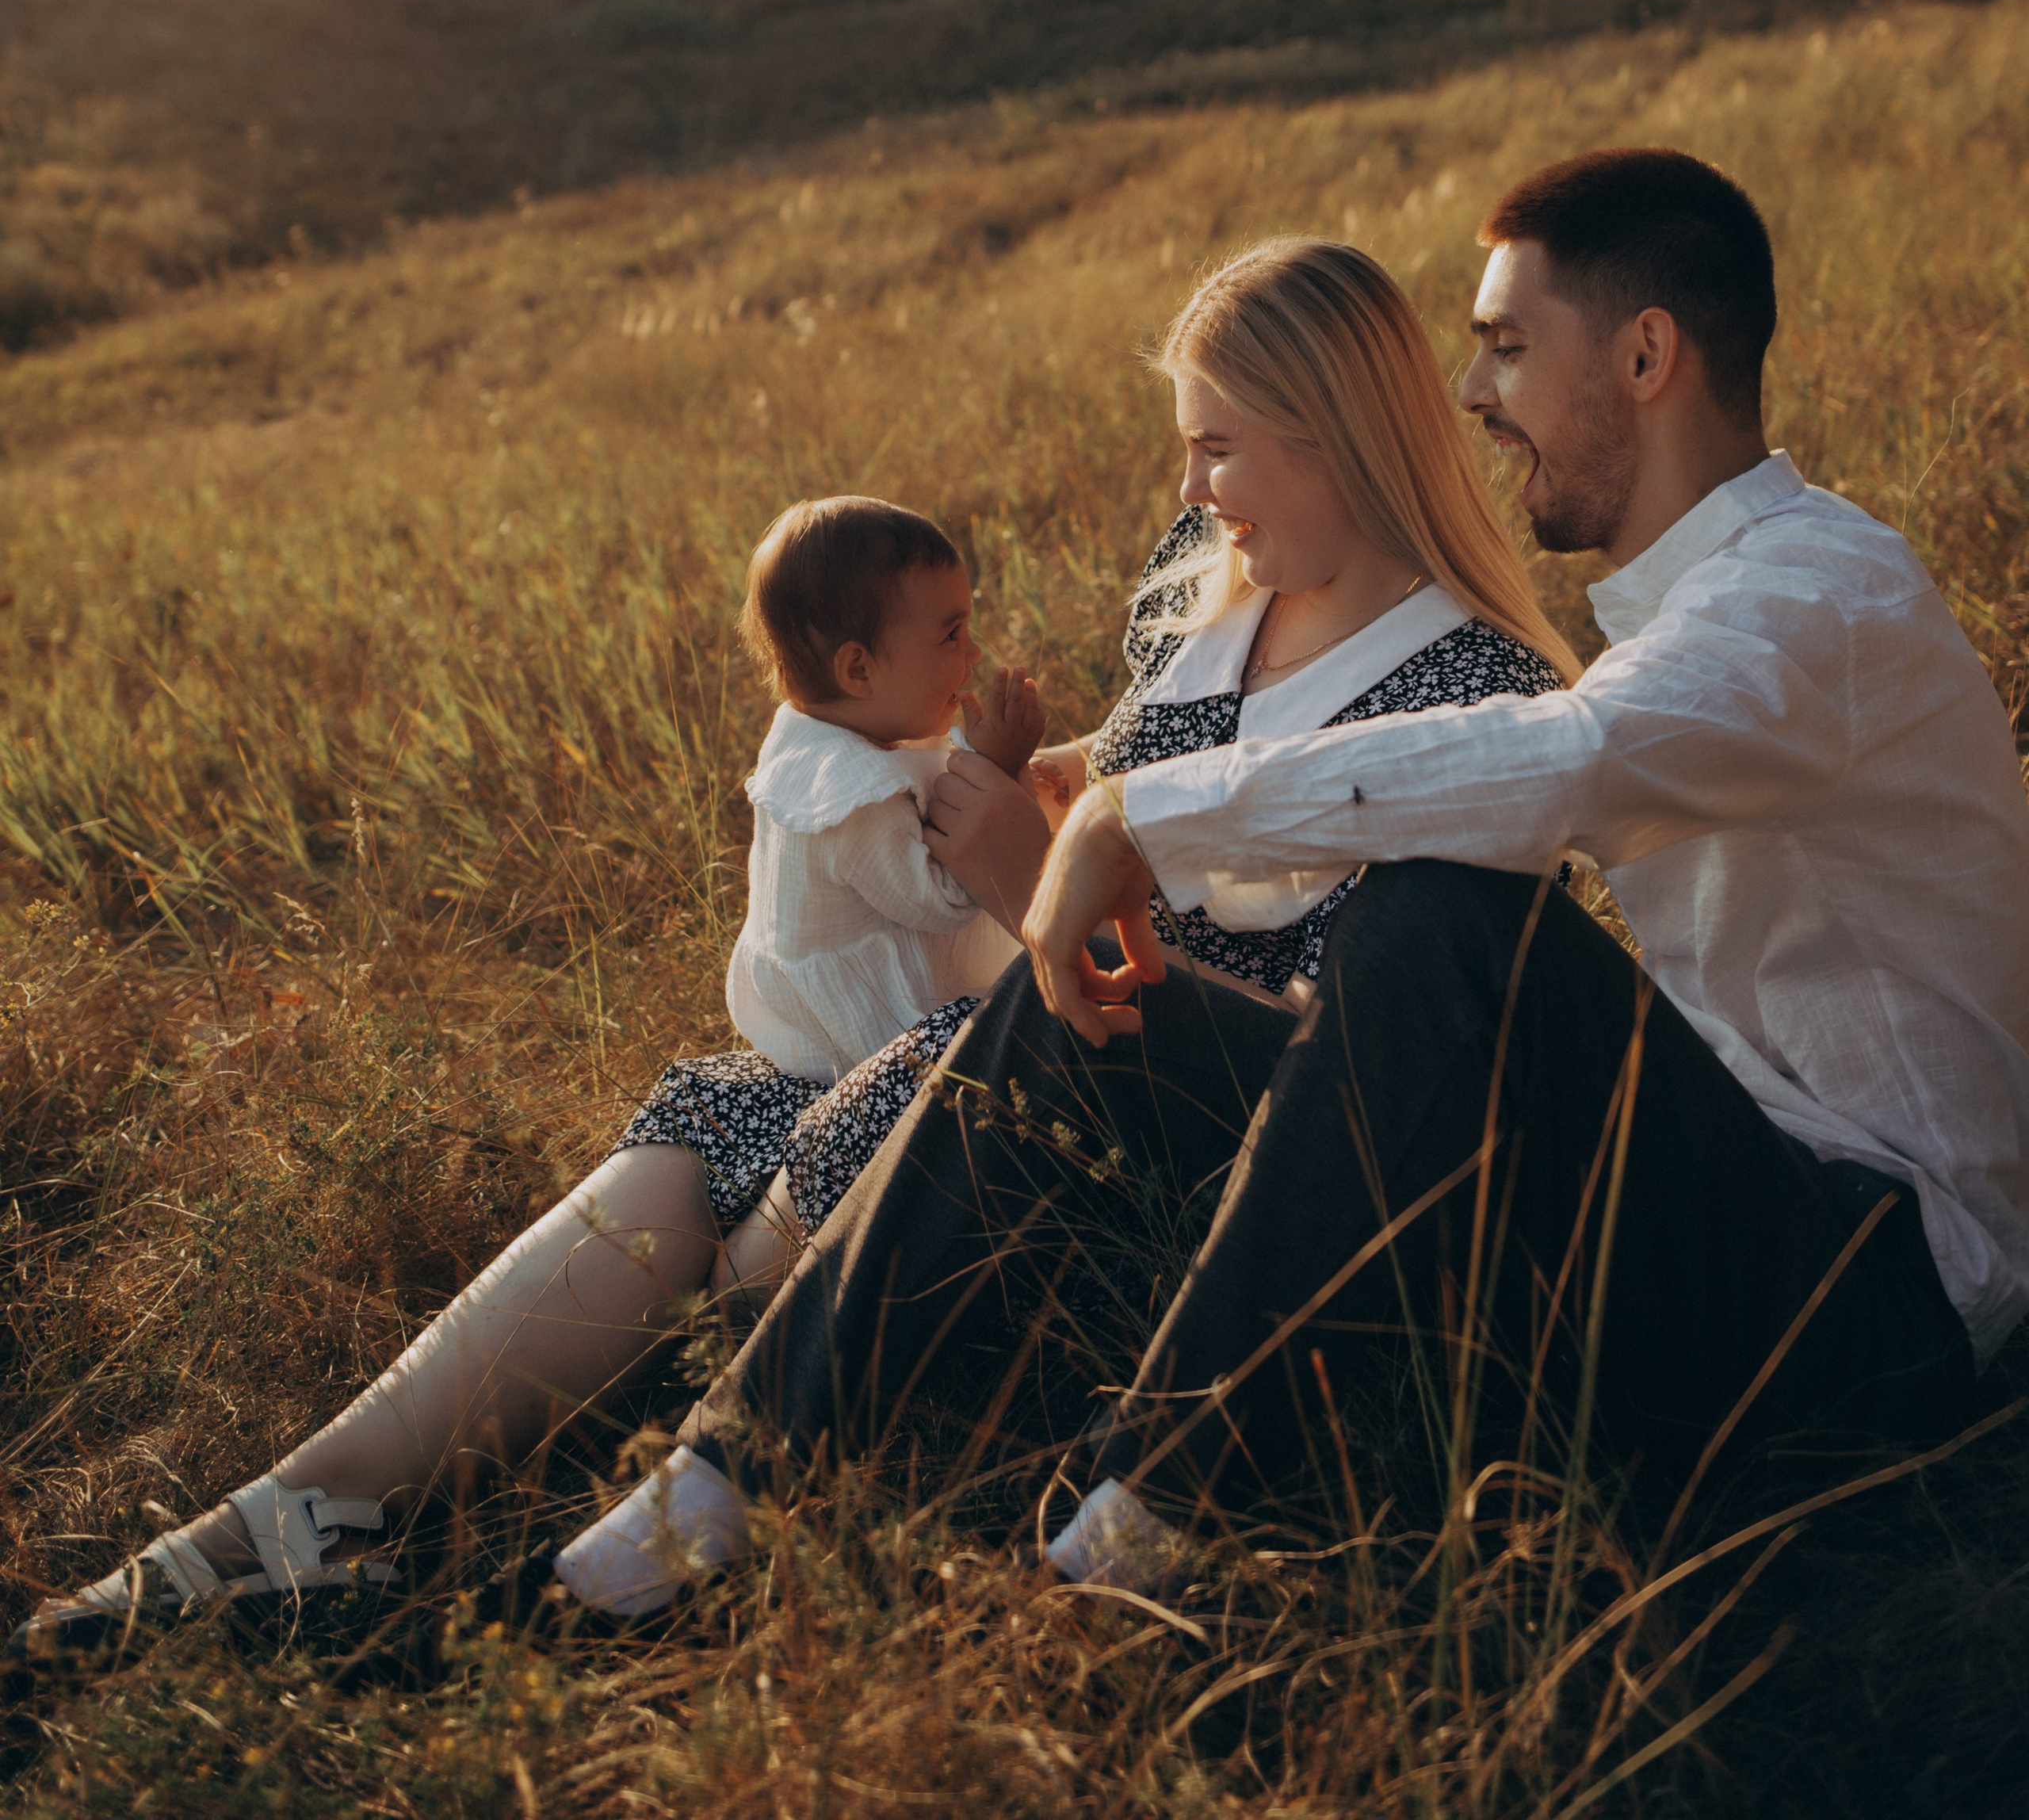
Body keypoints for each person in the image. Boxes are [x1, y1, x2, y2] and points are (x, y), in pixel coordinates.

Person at [618, 150, 2029, 1604]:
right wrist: (1108, 788)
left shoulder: (1817, 598)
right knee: (1096, 1010)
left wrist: (1135, 819)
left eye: (1507, 348)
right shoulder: (1689, 614)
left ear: (1648, 354)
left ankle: (1151, 1511)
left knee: (1452, 900)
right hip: (1676, 1241)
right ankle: (722, 1478)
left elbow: (1571, 756)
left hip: (1872, 1304)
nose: (1474, 395)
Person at [552, 234, 1579, 1613]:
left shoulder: (1476, 691)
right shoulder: (1214, 588)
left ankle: (659, 1475)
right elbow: (1171, 768)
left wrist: (1037, 880)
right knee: (709, 1116)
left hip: (1209, 1167)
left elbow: (1381, 1067)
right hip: (1052, 1053)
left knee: (816, 1156)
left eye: (1217, 448)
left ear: (1333, 434)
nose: (1190, 488)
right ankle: (300, 1515)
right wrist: (1074, 776)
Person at [19, 495, 1041, 1652]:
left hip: (974, 1067)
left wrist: (1022, 808)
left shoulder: (870, 744)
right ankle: (265, 1532)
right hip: (838, 1068)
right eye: (950, 628)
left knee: (743, 1253)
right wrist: (1013, 785)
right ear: (858, 663)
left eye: (1217, 449)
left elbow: (993, 883)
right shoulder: (857, 765)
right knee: (687, 1160)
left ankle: (552, 1539)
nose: (1195, 488)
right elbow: (949, 861)